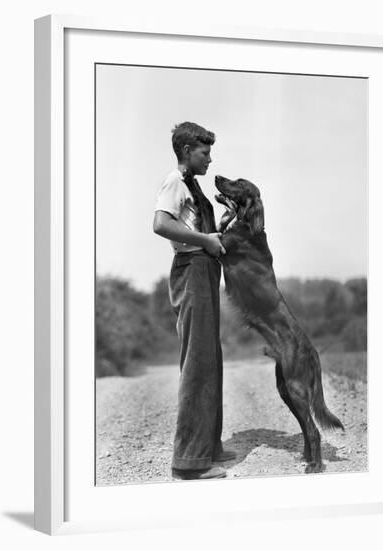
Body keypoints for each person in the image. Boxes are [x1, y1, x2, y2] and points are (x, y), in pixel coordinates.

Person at [153, 121, 237, 480]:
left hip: (204, 270)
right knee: (197, 364)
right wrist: (205, 240)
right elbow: (160, 224)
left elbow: (195, 228)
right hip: (190, 271)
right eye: (205, 152)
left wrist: (222, 226)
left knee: (210, 360)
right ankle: (188, 463)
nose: (210, 159)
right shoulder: (174, 179)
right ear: (187, 151)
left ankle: (209, 448)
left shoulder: (193, 185)